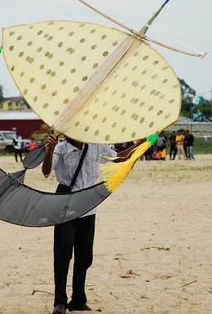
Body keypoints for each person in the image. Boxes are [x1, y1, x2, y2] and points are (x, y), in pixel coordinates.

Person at [42, 132, 144, 314]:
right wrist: (49, 151)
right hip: (65, 203)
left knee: (84, 255)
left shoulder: (96, 147)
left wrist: (142, 143)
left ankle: (78, 300)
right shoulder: (61, 148)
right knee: (63, 254)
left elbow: (118, 158)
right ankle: (60, 302)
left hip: (88, 205)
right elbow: (46, 171)